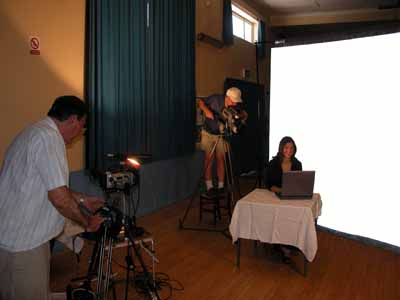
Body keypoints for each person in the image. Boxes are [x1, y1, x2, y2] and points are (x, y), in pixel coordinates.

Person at [0, 95, 104, 300]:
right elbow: (60, 199)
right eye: (82, 126)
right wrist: (87, 222)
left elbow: (51, 187)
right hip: (24, 246)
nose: (80, 133)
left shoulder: (34, 132)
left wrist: (83, 199)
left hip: (13, 239)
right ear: (73, 119)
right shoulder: (49, 139)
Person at [198, 87, 248, 194]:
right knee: (209, 158)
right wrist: (206, 111)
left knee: (221, 158)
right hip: (208, 132)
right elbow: (201, 102)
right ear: (227, 98)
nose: (235, 104)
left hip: (222, 134)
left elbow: (244, 113)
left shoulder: (235, 106)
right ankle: (209, 187)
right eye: (234, 101)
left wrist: (241, 116)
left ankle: (221, 186)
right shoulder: (215, 99)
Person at [264, 136, 302, 264]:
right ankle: (285, 248)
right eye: (286, 147)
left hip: (291, 198)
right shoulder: (273, 164)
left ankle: (290, 243)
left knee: (296, 215)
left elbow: (299, 183)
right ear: (281, 148)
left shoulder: (297, 164)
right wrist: (279, 190)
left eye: (291, 148)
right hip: (276, 198)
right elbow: (268, 184)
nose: (289, 150)